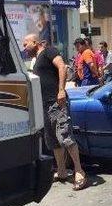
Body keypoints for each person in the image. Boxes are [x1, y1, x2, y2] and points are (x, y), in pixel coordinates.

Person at [22, 33, 88, 191]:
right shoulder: (36, 59)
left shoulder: (48, 51)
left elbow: (62, 66)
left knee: (65, 137)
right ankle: (62, 171)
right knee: (52, 140)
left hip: (55, 102)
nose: (24, 48)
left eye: (26, 44)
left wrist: (61, 90)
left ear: (35, 42)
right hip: (43, 105)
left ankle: (79, 172)